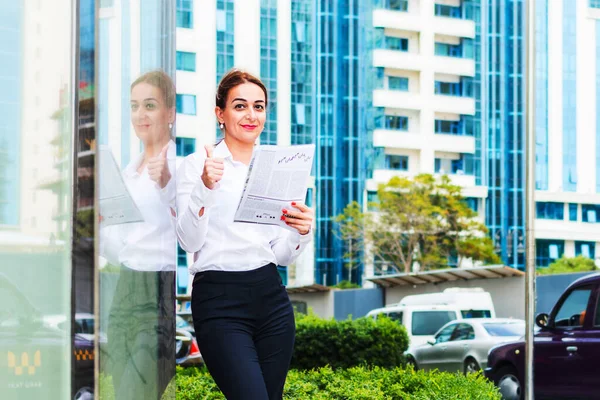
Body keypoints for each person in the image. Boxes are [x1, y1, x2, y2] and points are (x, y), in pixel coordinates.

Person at [176, 69, 314, 400]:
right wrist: (205, 188)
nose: (251, 115)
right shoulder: (197, 165)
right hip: (219, 299)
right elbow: (189, 241)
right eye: (240, 106)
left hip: (271, 297)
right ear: (220, 114)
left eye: (259, 106)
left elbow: (280, 254)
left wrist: (302, 231)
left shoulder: (278, 166)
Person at [98, 70, 177, 400]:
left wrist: (169, 186)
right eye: (134, 106)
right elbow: (123, 250)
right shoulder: (128, 173)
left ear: (170, 113)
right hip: (124, 292)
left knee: (134, 394)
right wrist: (99, 227)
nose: (140, 115)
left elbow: (189, 236)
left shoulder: (181, 167)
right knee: (122, 392)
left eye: (149, 105)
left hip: (158, 289)